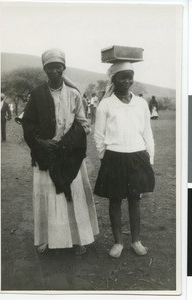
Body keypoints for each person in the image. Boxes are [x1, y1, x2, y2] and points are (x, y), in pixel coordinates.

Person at [22, 49, 99, 254]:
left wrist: (70, 142)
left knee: (73, 196)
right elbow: (28, 124)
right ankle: (48, 239)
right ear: (44, 70)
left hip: (69, 156)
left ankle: (78, 239)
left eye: (58, 66)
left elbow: (84, 124)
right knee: (48, 196)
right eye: (50, 67)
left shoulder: (73, 95)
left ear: (64, 68)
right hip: (45, 154)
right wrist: (41, 142)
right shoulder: (37, 94)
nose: (54, 71)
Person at [94, 61, 155, 258]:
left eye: (130, 76)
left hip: (138, 156)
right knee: (115, 200)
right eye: (122, 77)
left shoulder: (141, 103)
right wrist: (105, 157)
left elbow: (148, 132)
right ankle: (118, 242)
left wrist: (149, 158)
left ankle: (136, 241)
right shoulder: (105, 104)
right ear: (114, 79)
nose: (127, 80)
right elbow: (98, 135)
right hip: (114, 157)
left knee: (135, 199)